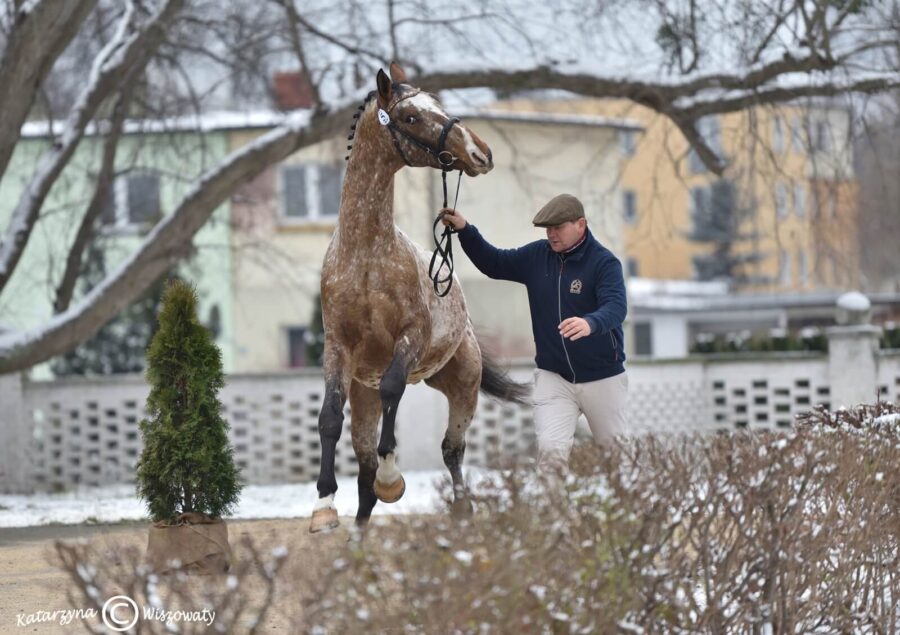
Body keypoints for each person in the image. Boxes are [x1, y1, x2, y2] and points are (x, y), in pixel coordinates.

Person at [441, 193, 628, 472]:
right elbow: (494, 263)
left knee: (617, 460)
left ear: (581, 224)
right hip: (554, 378)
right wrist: (466, 231)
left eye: (558, 228)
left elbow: (616, 306)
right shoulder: (537, 256)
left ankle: (627, 512)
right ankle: (554, 516)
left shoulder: (604, 263)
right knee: (550, 457)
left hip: (603, 378)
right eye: (547, 229)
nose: (551, 234)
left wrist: (591, 323)